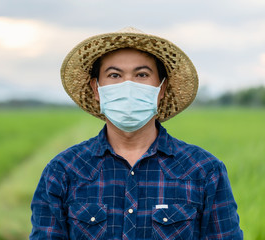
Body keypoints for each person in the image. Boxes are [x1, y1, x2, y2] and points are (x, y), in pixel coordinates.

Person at [30, 27, 243, 239]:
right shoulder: (63, 172)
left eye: (141, 74)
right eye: (114, 75)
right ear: (96, 89)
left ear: (161, 89)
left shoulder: (204, 171)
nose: (128, 86)